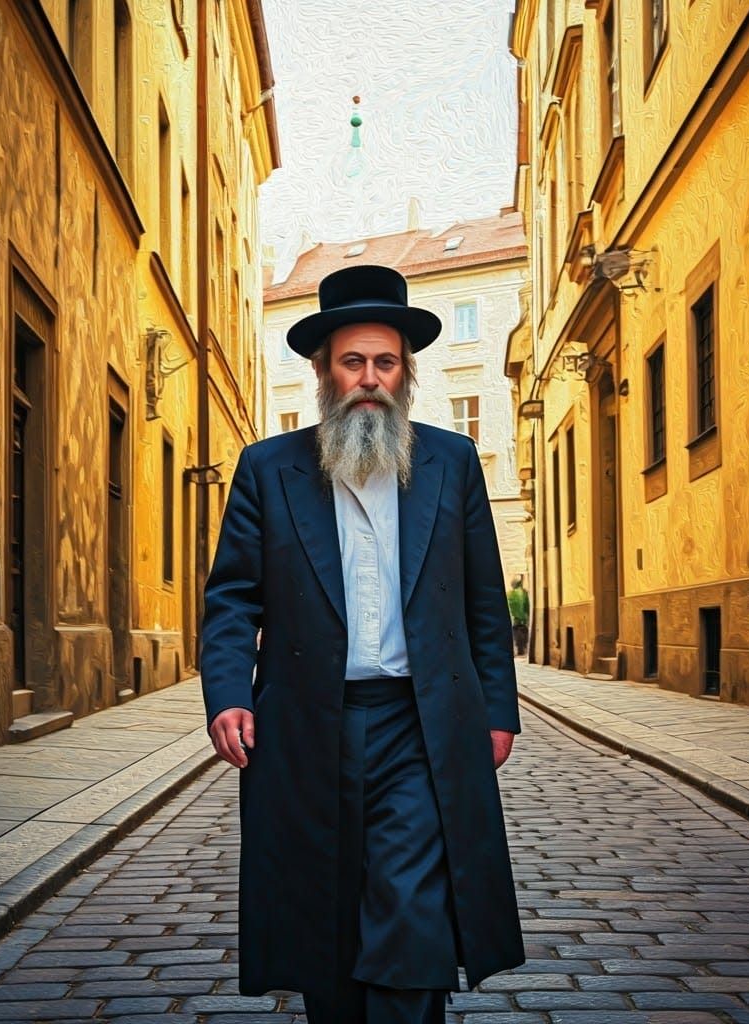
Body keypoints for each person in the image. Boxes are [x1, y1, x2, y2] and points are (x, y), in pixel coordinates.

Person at [200, 264, 524, 1024]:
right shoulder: (267, 469)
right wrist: (227, 697)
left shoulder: (451, 462)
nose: (370, 379)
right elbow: (231, 600)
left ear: (405, 372)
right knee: (327, 912)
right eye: (354, 362)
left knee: (412, 907)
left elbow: (483, 600)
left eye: (385, 363)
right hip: (308, 726)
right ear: (324, 370)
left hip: (422, 726)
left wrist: (498, 709)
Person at [507, 576, 529, 657]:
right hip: (523, 618)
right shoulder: (524, 592)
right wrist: (526, 616)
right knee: (524, 635)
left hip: (514, 619)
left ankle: (519, 650)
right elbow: (526, 606)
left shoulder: (510, 594)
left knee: (516, 635)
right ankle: (523, 649)